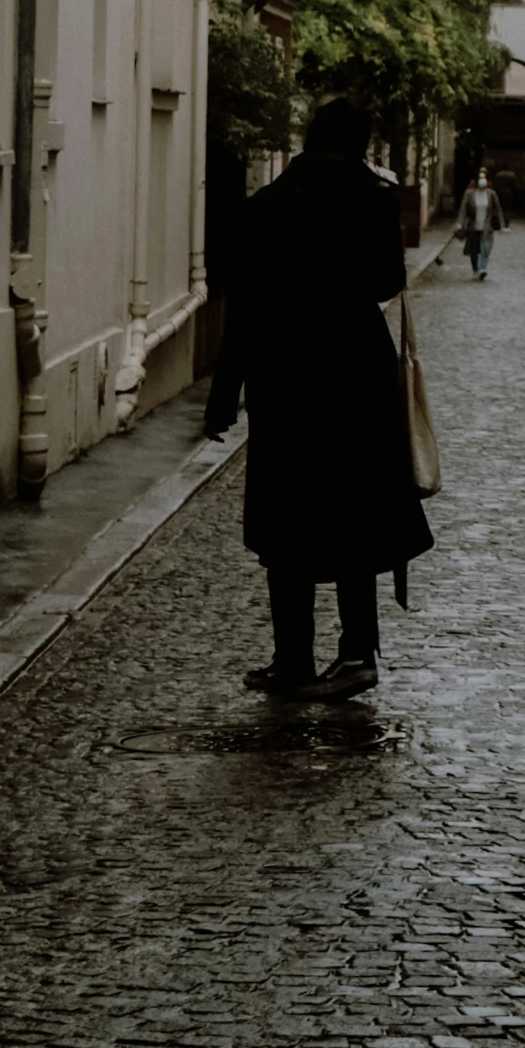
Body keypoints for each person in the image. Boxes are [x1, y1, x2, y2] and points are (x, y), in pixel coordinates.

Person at [204, 99, 434, 701]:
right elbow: (387, 282)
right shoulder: (375, 203)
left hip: (287, 380)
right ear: (359, 145)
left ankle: (293, 659)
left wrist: (223, 396)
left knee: (288, 523)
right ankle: (358, 652)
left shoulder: (269, 207)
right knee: (355, 516)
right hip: (358, 378)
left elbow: (244, 306)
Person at [455, 167, 505, 280]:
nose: (482, 180)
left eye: (484, 178)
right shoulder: (469, 193)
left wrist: (502, 225)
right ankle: (475, 269)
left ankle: (483, 268)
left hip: (487, 226)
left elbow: (498, 209)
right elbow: (463, 209)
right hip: (473, 225)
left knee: (485, 248)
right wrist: (459, 222)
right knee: (474, 250)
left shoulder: (491, 194)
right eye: (480, 178)